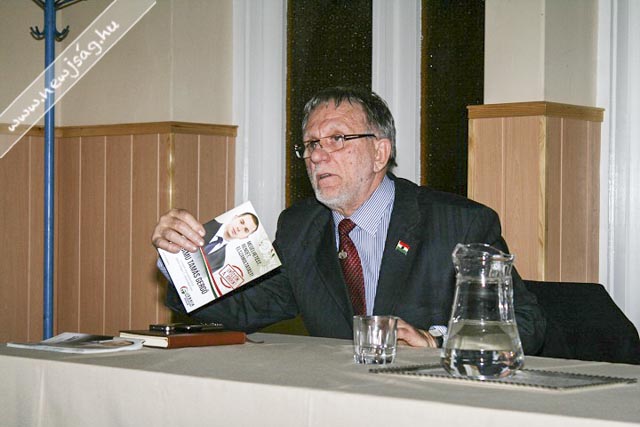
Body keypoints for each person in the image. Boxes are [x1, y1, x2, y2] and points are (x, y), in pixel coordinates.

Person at [152, 86, 546, 353]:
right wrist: (181, 259)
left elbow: (524, 324)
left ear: (380, 153)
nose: (316, 155)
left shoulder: (459, 224)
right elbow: (245, 310)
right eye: (311, 144)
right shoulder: (300, 227)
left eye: (337, 140)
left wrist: (437, 342)